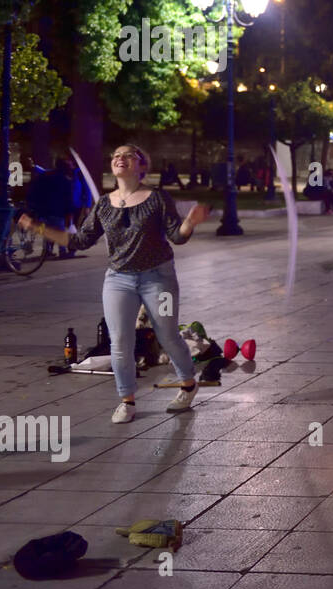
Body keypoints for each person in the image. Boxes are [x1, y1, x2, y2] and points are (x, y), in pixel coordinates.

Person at [19, 144, 211, 423]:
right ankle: (127, 400)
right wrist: (38, 228)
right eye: (115, 156)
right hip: (119, 279)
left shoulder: (157, 198)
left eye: (128, 155)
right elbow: (78, 241)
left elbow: (177, 236)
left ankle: (188, 384)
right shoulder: (104, 205)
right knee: (120, 340)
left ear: (141, 166)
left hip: (160, 278)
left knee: (168, 334)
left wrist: (190, 222)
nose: (119, 158)